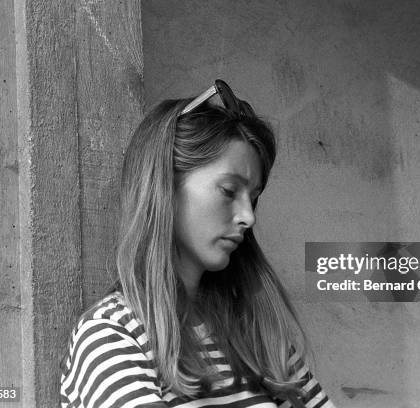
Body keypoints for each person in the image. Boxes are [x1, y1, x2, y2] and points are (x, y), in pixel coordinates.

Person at [59, 80, 335, 408]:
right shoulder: (112, 336)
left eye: (254, 198)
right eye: (229, 191)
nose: (249, 217)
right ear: (165, 186)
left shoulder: (257, 337)